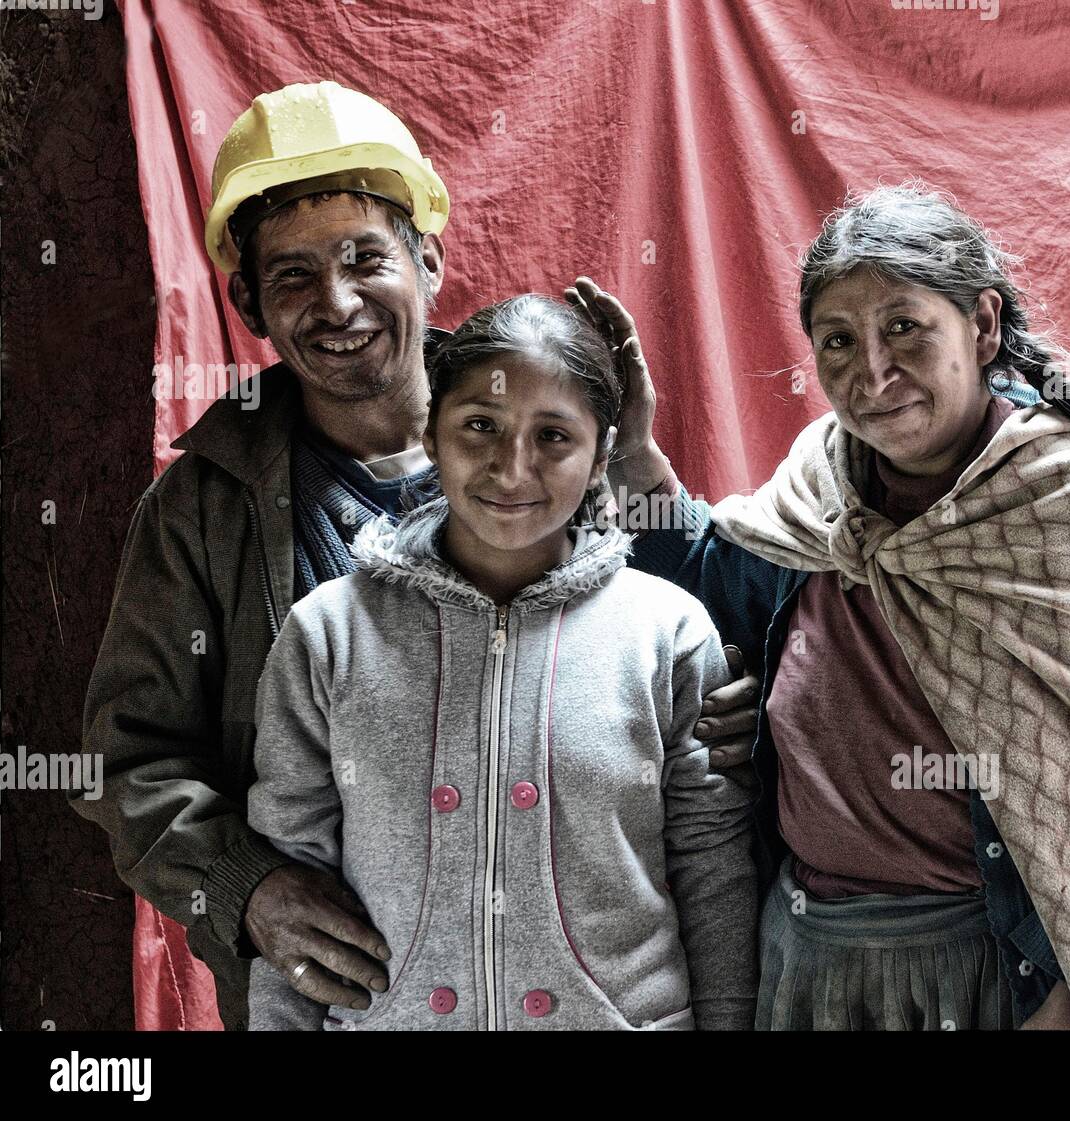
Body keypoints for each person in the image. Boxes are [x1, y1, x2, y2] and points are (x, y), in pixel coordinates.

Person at [72, 81, 757, 1031]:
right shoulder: (204, 505)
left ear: (427, 258)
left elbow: (665, 648)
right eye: (293, 277)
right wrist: (247, 888)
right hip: (357, 995)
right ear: (247, 302)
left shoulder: (530, 423)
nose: (338, 301)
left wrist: (640, 468)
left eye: (366, 258)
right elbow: (125, 758)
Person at [571, 182, 1070, 1030]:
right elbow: (708, 582)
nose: (873, 373)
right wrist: (633, 451)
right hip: (812, 960)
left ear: (984, 325)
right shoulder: (824, 491)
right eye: (839, 342)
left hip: (997, 970)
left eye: (904, 328)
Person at [245, 295, 759, 1030]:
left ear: (602, 454)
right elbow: (292, 883)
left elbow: (714, 874)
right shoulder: (329, 633)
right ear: (430, 430)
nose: (512, 469)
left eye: (553, 435)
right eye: (480, 426)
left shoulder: (665, 633)